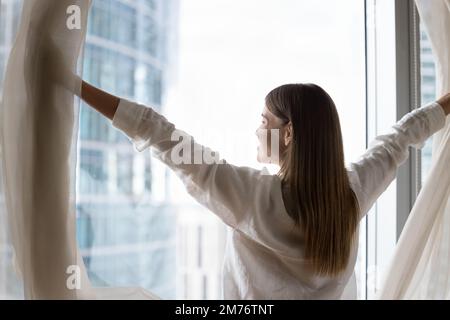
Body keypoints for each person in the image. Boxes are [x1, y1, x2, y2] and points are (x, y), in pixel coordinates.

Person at [52, 42, 450, 299]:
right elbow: (403, 136)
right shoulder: (352, 191)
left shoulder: (248, 194)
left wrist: (74, 84)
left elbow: (159, 133)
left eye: (264, 120)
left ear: (288, 132)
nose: (257, 130)